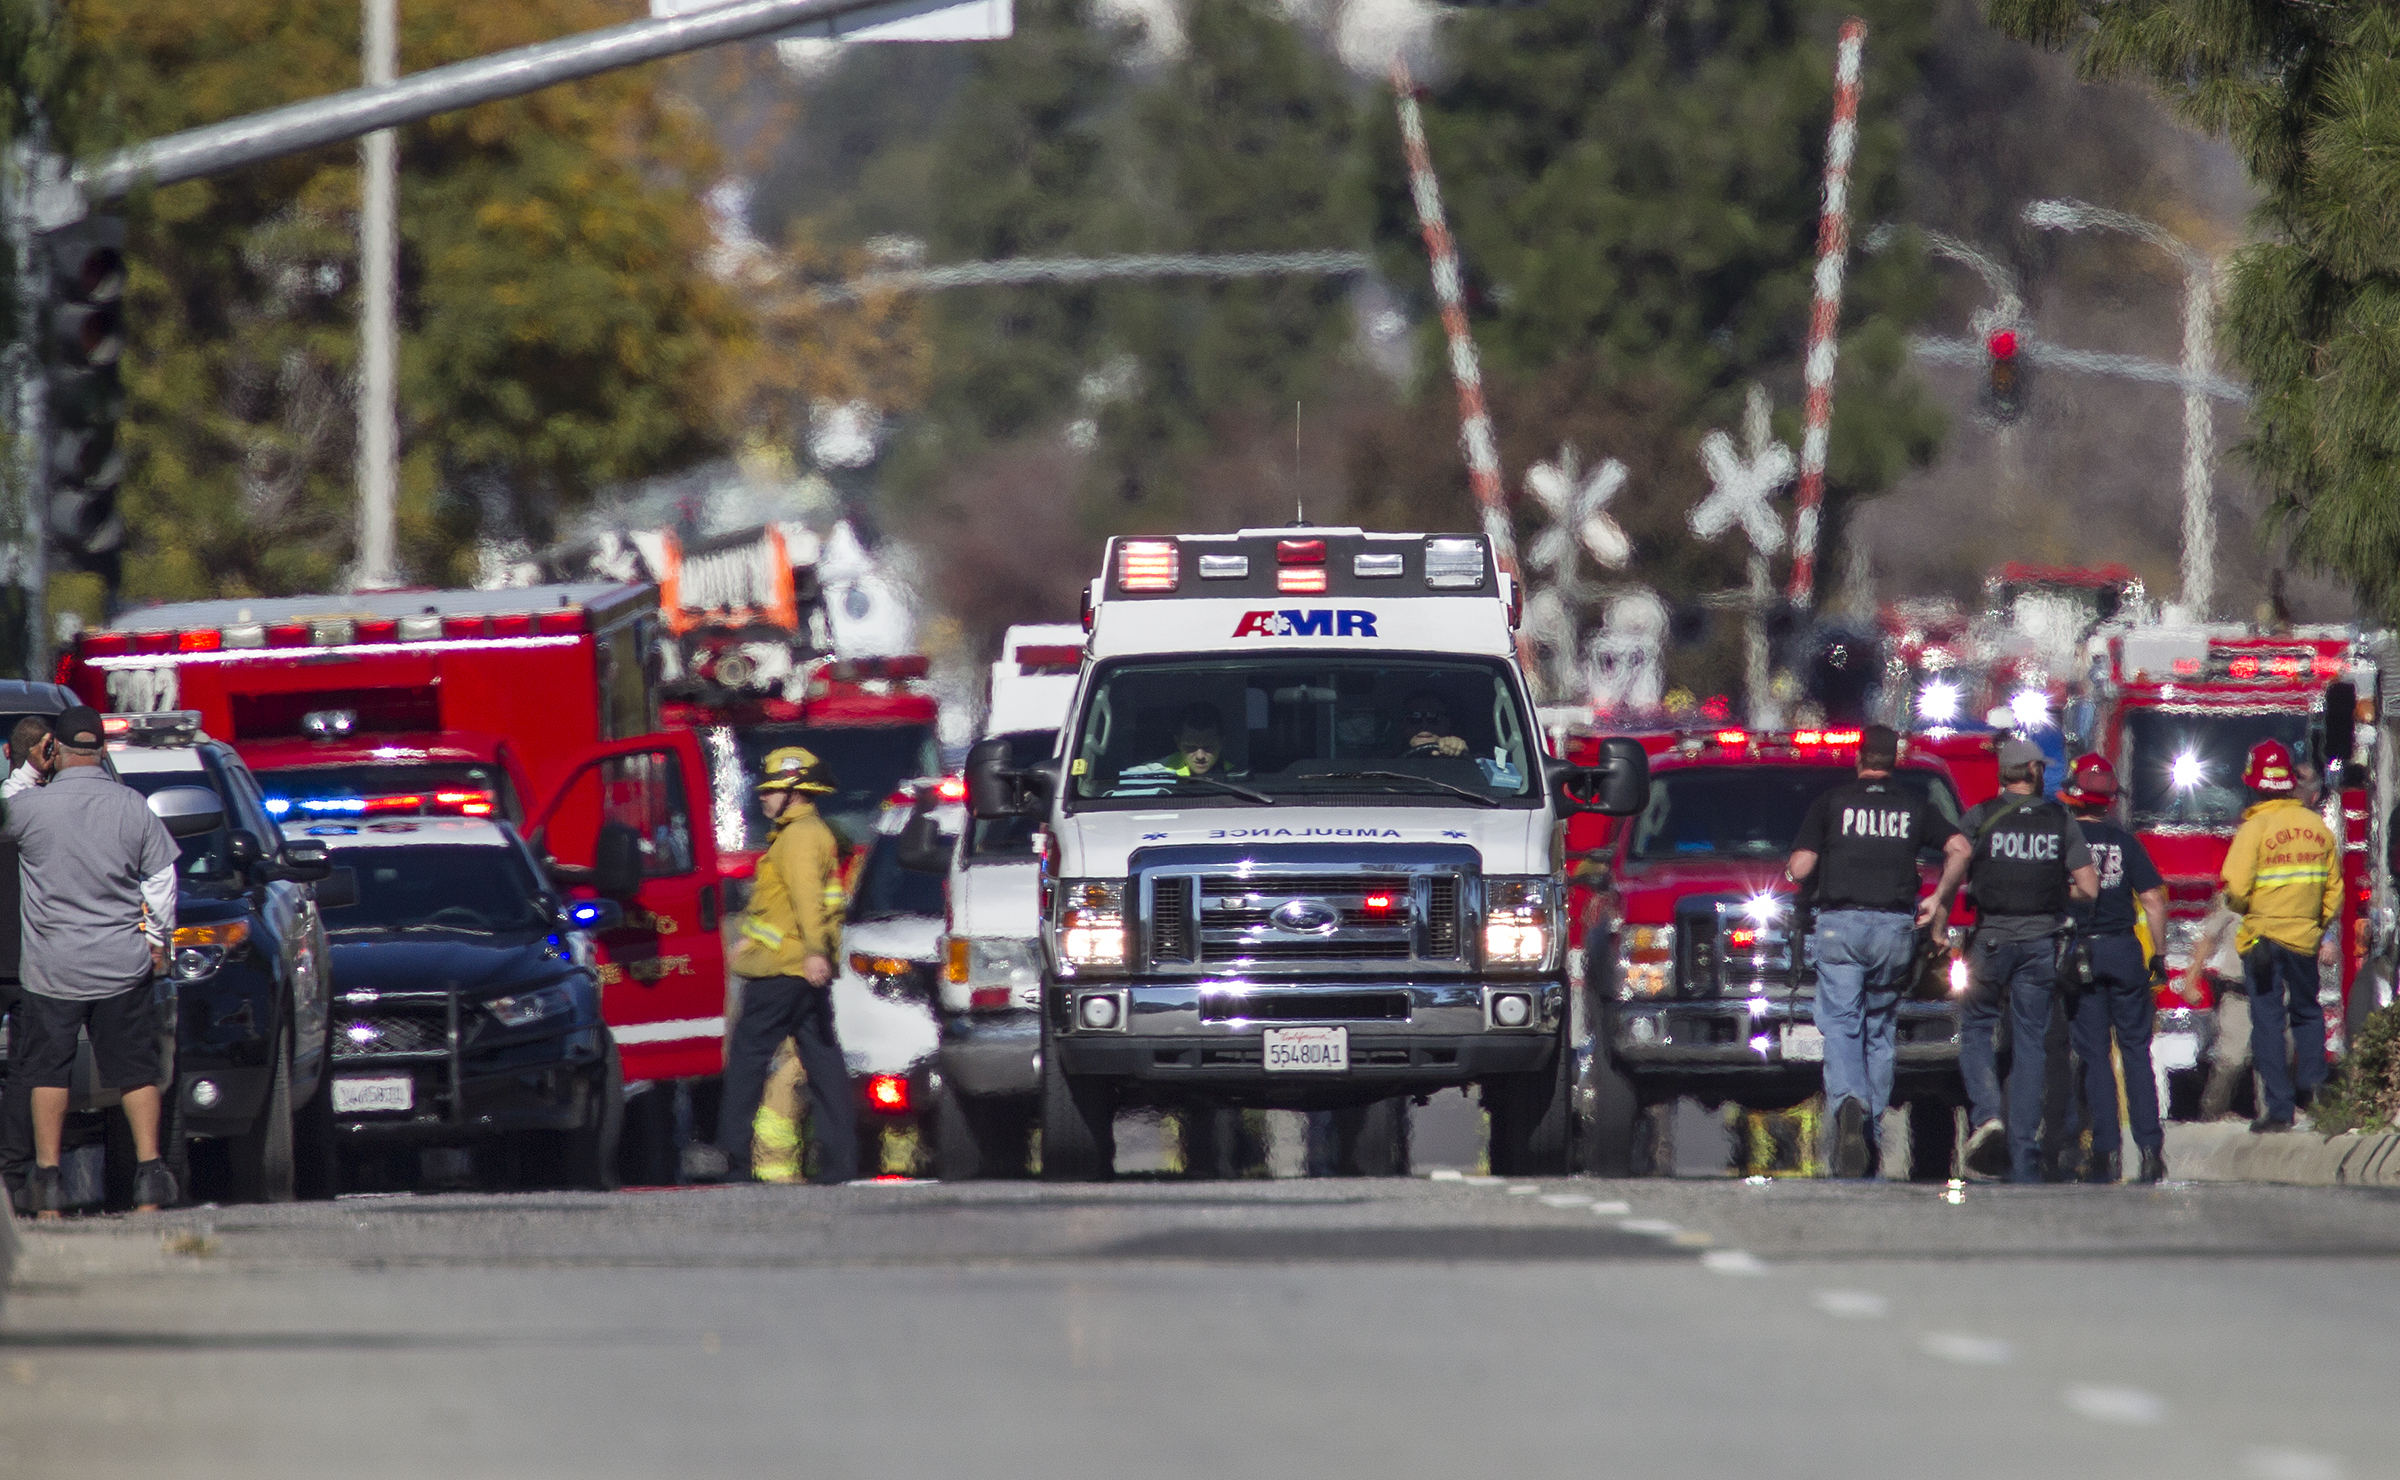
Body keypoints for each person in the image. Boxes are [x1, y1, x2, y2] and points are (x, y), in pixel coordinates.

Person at [10, 707, 180, 1216]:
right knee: (135, 1071)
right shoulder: (133, 807)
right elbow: (163, 878)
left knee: (48, 1072)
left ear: (54, 749)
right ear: (103, 750)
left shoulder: (30, 808)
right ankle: (150, 1175)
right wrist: (156, 937)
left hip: (51, 968)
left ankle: (47, 1183)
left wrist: (29, 771)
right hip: (120, 965)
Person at [1786, 724, 1971, 1177]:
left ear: (1859, 757)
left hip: (1840, 927)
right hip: (1894, 928)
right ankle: (1867, 1127)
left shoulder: (1831, 803)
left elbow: (1800, 866)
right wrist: (1939, 898)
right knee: (1879, 1027)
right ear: (1895, 761)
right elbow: (1961, 848)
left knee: (1843, 1023)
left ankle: (1850, 1102)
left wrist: (1797, 872)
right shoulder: (1913, 806)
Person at [709, 746, 858, 1184]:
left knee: (747, 1058)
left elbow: (807, 900)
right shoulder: (812, 833)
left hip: (782, 972)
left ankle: (732, 1158)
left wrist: (814, 951)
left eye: (772, 790)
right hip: (798, 967)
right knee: (825, 1063)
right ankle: (841, 1164)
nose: (763, 797)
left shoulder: (797, 838)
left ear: (794, 791)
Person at [1958, 736, 2100, 1183]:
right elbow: (2090, 889)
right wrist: (2058, 893)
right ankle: (2023, 1144)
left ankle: (1986, 1119)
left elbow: (1954, 866)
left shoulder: (1980, 816)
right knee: (2030, 1041)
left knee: (1977, 1025)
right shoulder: (2059, 819)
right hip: (2042, 943)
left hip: (1991, 939)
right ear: (2033, 771)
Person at [2219, 738, 2342, 1134]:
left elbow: (2235, 888)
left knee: (2268, 1020)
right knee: (2307, 1013)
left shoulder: (2254, 827)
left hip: (2263, 941)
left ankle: (2279, 1108)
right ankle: (2319, 1097)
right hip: (2304, 939)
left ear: (2254, 784)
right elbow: (2335, 889)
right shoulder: (2316, 827)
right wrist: (2315, 924)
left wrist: (2248, 910)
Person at [2058, 753, 2171, 1183]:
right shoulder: (2125, 841)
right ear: (2109, 800)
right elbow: (2154, 900)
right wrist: (2158, 956)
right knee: (2135, 1052)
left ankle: (2105, 1149)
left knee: (2096, 1056)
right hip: (2125, 953)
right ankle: (2149, 1146)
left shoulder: (2064, 840)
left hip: (2082, 954)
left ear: (2073, 796)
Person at [0, 716, 54, 1212]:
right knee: (25, 1072)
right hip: (26, 958)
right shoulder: (40, 809)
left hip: (18, 956)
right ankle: (12, 1175)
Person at [1398, 692, 1468, 758]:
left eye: (1433, 716)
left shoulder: (1467, 760)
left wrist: (1459, 752)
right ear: (1403, 725)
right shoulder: (1388, 759)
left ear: (1446, 724)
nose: (1424, 726)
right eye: (1415, 717)